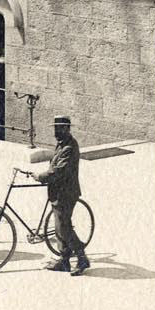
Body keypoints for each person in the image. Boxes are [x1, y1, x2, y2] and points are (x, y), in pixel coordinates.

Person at [32, 114, 89, 274]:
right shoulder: (61, 144)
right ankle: (64, 261)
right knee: (59, 227)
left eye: (60, 128)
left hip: (66, 193)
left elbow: (59, 171)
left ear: (67, 129)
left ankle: (82, 257)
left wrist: (41, 176)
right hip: (58, 192)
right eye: (55, 128)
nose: (57, 131)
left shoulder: (69, 147)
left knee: (64, 227)